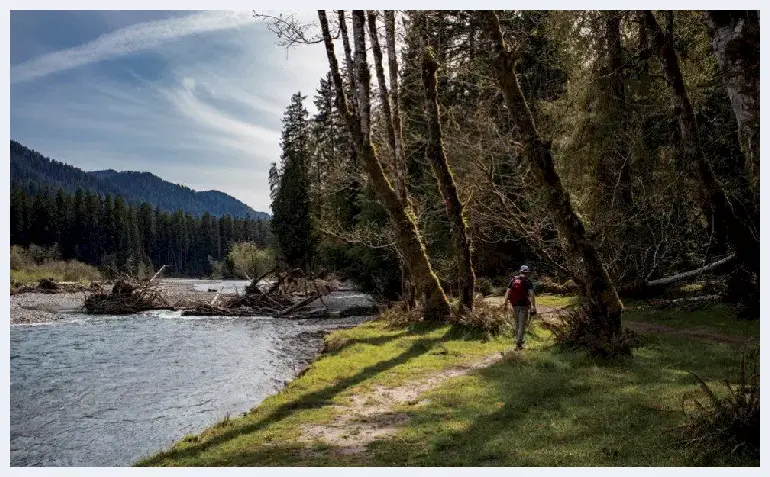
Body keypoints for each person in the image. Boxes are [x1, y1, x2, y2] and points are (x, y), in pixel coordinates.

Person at [502, 265, 537, 350]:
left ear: (520, 271)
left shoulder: (513, 280)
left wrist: (505, 303)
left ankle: (518, 340)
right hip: (524, 306)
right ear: (527, 272)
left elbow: (507, 292)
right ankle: (519, 342)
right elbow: (532, 295)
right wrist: (533, 306)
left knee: (517, 323)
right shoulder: (528, 281)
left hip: (514, 305)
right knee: (522, 324)